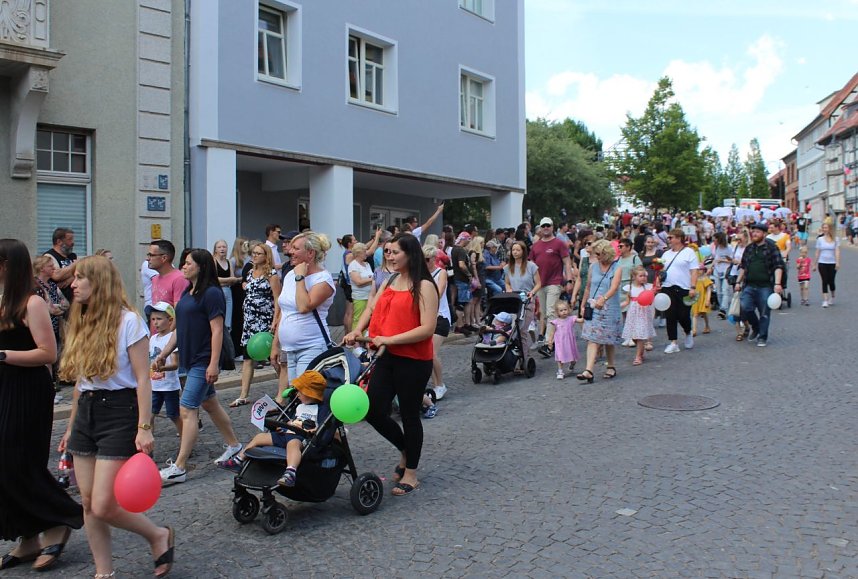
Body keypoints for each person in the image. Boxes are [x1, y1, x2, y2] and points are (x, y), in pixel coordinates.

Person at [57, 255, 172, 578]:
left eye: (80, 278)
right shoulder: (81, 318)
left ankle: (157, 535)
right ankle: (103, 573)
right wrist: (70, 426)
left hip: (119, 411)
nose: (74, 284)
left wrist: (145, 427)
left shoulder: (129, 321)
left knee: (104, 504)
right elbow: (82, 383)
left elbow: (142, 378)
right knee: (88, 501)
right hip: (87, 411)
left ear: (99, 282)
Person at [0, 239, 83, 573]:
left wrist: (3, 356)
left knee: (18, 459)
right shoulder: (4, 299)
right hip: (5, 386)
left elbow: (48, 354)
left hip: (27, 389)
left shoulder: (32, 303)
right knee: (5, 462)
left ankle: (60, 518)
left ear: (7, 264)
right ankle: (28, 538)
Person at [344, 233, 439, 497]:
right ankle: (406, 449)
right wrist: (357, 330)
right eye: (387, 252)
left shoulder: (424, 286)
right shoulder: (390, 279)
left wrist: (390, 338)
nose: (390, 256)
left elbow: (427, 328)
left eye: (395, 252)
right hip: (386, 355)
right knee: (373, 410)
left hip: (414, 359)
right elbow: (371, 308)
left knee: (409, 414)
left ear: (411, 254)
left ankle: (411, 472)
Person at [153, 249, 244, 485]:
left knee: (187, 409)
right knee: (210, 404)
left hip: (203, 360)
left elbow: (217, 330)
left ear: (201, 267)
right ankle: (235, 446)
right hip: (189, 358)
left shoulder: (212, 293)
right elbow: (179, 329)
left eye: (188, 263)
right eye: (183, 263)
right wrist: (164, 353)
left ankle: (180, 467)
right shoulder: (187, 291)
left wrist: (213, 364)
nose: (183, 266)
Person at [218, 370, 328, 485]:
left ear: (310, 394)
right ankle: (238, 460)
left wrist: (311, 430)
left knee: (293, 445)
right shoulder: (298, 405)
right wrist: (282, 427)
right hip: (286, 434)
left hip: (301, 437)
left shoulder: (320, 409)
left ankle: (290, 472)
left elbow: (322, 426)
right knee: (260, 437)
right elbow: (287, 420)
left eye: (301, 392)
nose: (297, 394)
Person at [271, 232, 336, 404]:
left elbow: (303, 306)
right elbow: (284, 311)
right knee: (296, 398)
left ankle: (321, 429)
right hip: (290, 349)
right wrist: (275, 345)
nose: (290, 251)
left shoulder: (323, 279)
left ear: (310, 253)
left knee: (307, 398)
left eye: (295, 248)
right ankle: (301, 428)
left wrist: (300, 277)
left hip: (311, 346)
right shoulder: (291, 274)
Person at [230, 243, 281, 407]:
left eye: (259, 253)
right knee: (247, 358)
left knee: (273, 358)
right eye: (253, 253)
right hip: (250, 322)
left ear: (266, 256)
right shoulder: (250, 273)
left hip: (265, 321)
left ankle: (287, 389)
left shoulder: (271, 275)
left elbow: (277, 299)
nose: (255, 256)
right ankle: (243, 394)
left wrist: (275, 320)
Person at [577, 239, 623, 383]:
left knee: (608, 339)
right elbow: (589, 287)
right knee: (593, 338)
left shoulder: (617, 267)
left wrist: (604, 298)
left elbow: (614, 287)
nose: (596, 256)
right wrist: (583, 305)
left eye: (598, 254)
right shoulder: (593, 267)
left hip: (610, 308)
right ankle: (588, 370)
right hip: (593, 307)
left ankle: (611, 365)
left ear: (606, 253)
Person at [733, 223, 785, 347]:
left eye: (757, 232)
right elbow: (743, 266)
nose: (754, 234)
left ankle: (762, 336)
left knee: (764, 312)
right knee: (745, 307)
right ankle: (755, 327)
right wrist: (738, 282)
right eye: (753, 231)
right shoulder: (749, 248)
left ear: (764, 234)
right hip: (749, 285)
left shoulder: (772, 247)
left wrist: (777, 284)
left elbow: (778, 266)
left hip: (765, 286)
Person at [531, 217, 575, 356]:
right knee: (544, 314)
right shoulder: (535, 246)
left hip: (555, 282)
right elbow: (531, 266)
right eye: (543, 225)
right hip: (540, 284)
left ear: (552, 227)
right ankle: (554, 340)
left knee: (550, 312)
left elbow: (567, 262)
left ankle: (547, 344)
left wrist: (569, 280)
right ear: (540, 228)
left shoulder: (559, 243)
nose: (545, 228)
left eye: (548, 225)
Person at [659, 229, 700, 354]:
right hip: (668, 286)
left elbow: (694, 271)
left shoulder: (689, 252)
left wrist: (692, 287)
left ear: (679, 238)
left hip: (684, 287)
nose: (669, 240)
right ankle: (673, 342)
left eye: (671, 237)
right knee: (670, 315)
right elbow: (661, 269)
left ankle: (688, 332)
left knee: (683, 315)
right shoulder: (666, 254)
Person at [148, 302, 182, 436]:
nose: (155, 323)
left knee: (174, 415)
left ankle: (185, 440)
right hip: (154, 385)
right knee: (149, 415)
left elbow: (175, 364)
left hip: (169, 386)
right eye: (153, 319)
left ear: (170, 320)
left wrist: (162, 368)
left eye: (159, 319)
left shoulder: (172, 338)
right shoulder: (152, 339)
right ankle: (148, 449)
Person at [504, 240, 541, 356]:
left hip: (527, 300)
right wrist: (508, 289)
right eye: (513, 250)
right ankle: (515, 353)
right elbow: (507, 282)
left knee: (522, 329)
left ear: (523, 252)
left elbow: (538, 283)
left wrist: (532, 292)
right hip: (514, 301)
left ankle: (524, 355)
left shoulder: (531, 266)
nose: (515, 252)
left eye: (517, 250)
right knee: (513, 328)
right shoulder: (508, 267)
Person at [424, 244, 450, 403]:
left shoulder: (441, 273)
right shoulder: (420, 275)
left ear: (434, 259)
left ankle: (440, 384)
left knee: (431, 352)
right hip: (426, 317)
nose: (424, 262)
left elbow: (439, 293)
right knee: (426, 353)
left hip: (440, 317)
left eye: (427, 260)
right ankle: (434, 383)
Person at [621, 265, 656, 366]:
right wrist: (618, 306)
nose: (644, 278)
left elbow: (650, 299)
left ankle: (638, 356)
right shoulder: (630, 288)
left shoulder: (647, 287)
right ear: (634, 277)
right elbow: (627, 301)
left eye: (645, 276)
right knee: (635, 337)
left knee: (640, 336)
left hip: (643, 314)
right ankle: (640, 351)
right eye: (641, 276)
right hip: (633, 314)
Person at [148, 239, 189, 310]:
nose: (147, 259)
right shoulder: (155, 279)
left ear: (164, 258)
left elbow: (179, 311)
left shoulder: (179, 279)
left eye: (151, 255)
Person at [546, 300, 578, 380]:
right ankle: (560, 371)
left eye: (565, 309)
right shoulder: (555, 322)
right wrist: (550, 341)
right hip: (560, 343)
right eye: (561, 310)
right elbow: (552, 332)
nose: (564, 312)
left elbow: (580, 320)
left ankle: (572, 364)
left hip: (570, 342)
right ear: (557, 312)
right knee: (560, 357)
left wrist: (586, 316)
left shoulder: (571, 319)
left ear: (568, 309)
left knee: (573, 358)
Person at [213, 239, 241, 333]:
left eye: (224, 247)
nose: (222, 249)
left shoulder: (228, 262)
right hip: (217, 291)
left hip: (228, 292)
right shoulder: (213, 261)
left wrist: (229, 280)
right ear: (215, 249)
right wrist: (228, 280)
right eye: (219, 247)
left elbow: (232, 278)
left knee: (228, 320)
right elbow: (214, 279)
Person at [44, 227, 77, 303]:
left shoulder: (72, 256)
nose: (73, 242)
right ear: (59, 241)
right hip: (59, 302)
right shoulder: (49, 256)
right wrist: (75, 264)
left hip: (74, 300)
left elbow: (82, 273)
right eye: (69, 239)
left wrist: (71, 278)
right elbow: (56, 275)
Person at [813, 221, 840, 308]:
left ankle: (832, 296)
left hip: (832, 263)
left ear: (830, 229)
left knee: (831, 281)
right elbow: (817, 252)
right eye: (823, 228)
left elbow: (837, 251)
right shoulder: (820, 239)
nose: (824, 229)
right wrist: (814, 264)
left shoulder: (835, 239)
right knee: (824, 280)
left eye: (826, 228)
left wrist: (837, 262)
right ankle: (825, 300)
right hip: (822, 262)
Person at [348, 242, 374, 329]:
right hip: (360, 297)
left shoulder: (367, 264)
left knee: (368, 319)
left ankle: (364, 339)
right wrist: (372, 279)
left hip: (370, 297)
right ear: (358, 253)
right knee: (358, 319)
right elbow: (358, 282)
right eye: (364, 251)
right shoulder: (353, 265)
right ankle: (356, 340)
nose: (366, 253)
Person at [711, 232, 732, 319]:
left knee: (725, 290)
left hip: (726, 270)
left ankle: (723, 310)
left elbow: (732, 260)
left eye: (714, 240)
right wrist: (710, 267)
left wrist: (722, 260)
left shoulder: (729, 248)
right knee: (718, 292)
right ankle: (721, 308)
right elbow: (715, 259)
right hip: (717, 271)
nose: (713, 241)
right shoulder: (716, 247)